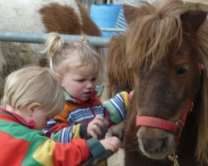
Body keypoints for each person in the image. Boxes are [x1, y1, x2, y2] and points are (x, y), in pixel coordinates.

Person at [0, 66, 120, 166]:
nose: (46, 125)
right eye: (47, 118)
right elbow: (57, 155)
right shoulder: (27, 140)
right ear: (32, 109)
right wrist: (92, 147)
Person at [42, 33, 131, 165]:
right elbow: (52, 136)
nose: (89, 85)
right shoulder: (58, 106)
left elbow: (106, 114)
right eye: (81, 80)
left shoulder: (92, 102)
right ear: (60, 80)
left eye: (93, 79)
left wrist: (128, 99)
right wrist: (84, 130)